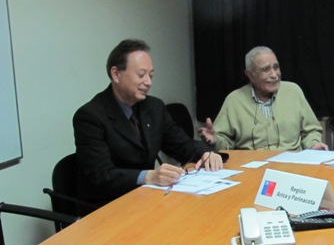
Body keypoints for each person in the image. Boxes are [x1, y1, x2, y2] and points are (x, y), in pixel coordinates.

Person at [74, 39, 225, 209]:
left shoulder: (154, 107)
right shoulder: (90, 116)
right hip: (110, 205)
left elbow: (182, 145)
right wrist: (149, 177)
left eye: (151, 75)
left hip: (146, 199)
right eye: (141, 75)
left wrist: (206, 153)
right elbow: (102, 175)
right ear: (116, 74)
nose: (148, 82)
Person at [197, 46, 328, 151]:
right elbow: (225, 144)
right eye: (266, 69)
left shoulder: (293, 91)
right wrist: (215, 140)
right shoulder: (233, 100)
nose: (274, 75)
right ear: (250, 74)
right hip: (250, 169)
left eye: (276, 67)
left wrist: (313, 144)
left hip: (291, 167)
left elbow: (312, 130)